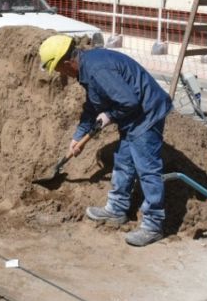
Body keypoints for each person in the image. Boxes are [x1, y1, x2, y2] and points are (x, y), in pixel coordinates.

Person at [39, 34, 173, 247]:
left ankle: (153, 224)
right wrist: (77, 136)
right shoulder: (87, 69)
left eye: (58, 69)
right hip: (133, 116)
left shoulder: (97, 70)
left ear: (67, 62)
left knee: (147, 168)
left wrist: (110, 116)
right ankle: (117, 209)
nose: (59, 74)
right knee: (124, 160)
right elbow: (92, 107)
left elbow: (129, 102)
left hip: (147, 113)